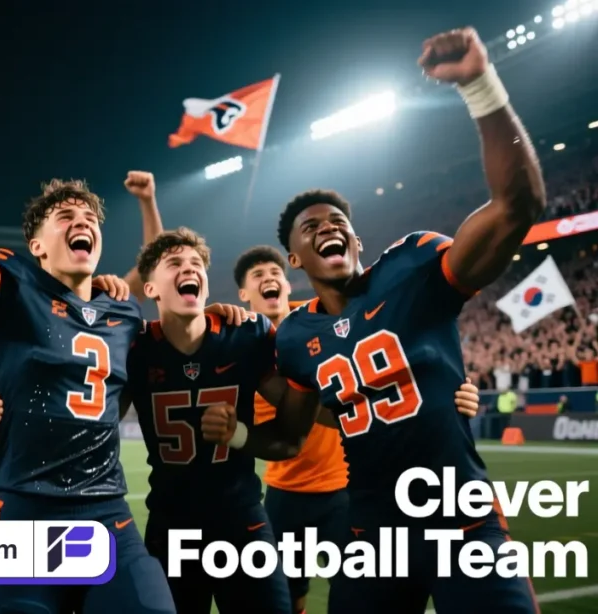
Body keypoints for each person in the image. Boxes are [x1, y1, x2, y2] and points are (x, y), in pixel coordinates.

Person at [273, 28, 545, 613]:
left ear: (356, 239)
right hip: (372, 536)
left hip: (460, 523)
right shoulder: (295, 336)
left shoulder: (412, 267)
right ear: (295, 260)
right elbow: (292, 433)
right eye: (310, 227)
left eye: (338, 222)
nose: (328, 227)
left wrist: (480, 86)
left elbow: (516, 208)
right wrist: (237, 430)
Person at [0, 38, 177, 614]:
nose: (81, 220)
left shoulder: (121, 310)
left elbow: (157, 285)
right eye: (65, 216)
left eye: (89, 217)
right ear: (36, 246)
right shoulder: (13, 291)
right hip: (25, 517)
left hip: (108, 517)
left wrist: (229, 313)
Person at [234, 245, 483, 614]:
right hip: (285, 491)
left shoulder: (324, 320)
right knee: (287, 594)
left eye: (275, 273)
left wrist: (449, 390)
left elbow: (405, 351)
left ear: (287, 283)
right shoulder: (243, 346)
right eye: (258, 275)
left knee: (366, 591)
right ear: (243, 294)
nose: (269, 279)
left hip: (344, 489)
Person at [126, 229, 318, 614]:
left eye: (196, 264)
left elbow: (293, 428)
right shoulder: (135, 347)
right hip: (171, 523)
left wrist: (310, 359)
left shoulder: (244, 336)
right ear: (150, 289)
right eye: (175, 263)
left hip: (240, 516)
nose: (189, 269)